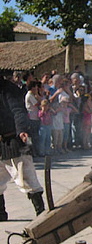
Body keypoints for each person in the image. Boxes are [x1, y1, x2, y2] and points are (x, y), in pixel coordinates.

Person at [0, 77, 45, 221]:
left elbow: (18, 111)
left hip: (13, 140)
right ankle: (1, 213)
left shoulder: (8, 89)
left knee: (26, 179)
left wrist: (21, 130)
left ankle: (41, 215)